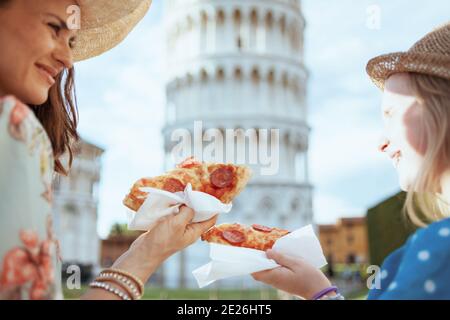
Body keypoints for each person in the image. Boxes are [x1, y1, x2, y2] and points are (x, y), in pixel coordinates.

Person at [0, 0, 217, 300]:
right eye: (53, 27)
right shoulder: (14, 127)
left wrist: (146, 251)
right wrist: (146, 256)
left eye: (71, 42)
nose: (67, 58)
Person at [252, 22, 450, 300]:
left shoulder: (439, 249)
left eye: (391, 114)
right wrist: (318, 290)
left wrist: (316, 291)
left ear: (442, 111)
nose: (382, 142)